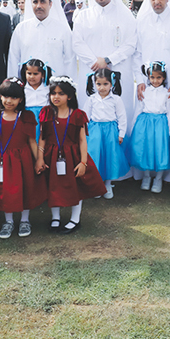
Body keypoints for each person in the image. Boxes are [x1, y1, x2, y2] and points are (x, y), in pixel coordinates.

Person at [36, 75, 106, 234]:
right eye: (53, 93)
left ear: (69, 95)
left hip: (72, 156)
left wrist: (83, 162)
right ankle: (55, 218)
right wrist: (40, 158)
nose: (56, 97)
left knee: (76, 186)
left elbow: (82, 140)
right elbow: (42, 137)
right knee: (52, 185)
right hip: (51, 156)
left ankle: (75, 219)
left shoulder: (77, 114)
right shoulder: (46, 112)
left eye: (60, 93)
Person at [0, 78, 44, 239]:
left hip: (23, 159)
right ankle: (8, 221)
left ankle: (24, 220)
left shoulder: (26, 117)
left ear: (21, 99)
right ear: (0, 97)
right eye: (5, 96)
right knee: (4, 189)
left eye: (14, 97)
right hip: (1, 160)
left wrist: (38, 160)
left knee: (25, 187)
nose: (9, 101)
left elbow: (31, 140)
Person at [72, 0, 138, 123]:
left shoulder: (126, 16)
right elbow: (77, 43)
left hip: (118, 70)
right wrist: (95, 62)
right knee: (89, 111)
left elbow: (131, 44)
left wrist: (108, 60)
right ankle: (89, 145)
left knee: (120, 113)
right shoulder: (83, 16)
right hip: (90, 71)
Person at [7, 0, 75, 80]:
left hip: (55, 89)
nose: (39, 6)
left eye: (43, 1)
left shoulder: (62, 29)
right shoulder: (21, 29)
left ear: (50, 4)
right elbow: (14, 59)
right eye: (35, 2)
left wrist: (68, 86)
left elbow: (70, 60)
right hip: (28, 88)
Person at [128, 61, 170, 194]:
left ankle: (158, 179)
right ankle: (146, 177)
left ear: (164, 77)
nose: (155, 80)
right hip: (145, 123)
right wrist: (133, 126)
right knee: (145, 150)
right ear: (148, 77)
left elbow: (169, 112)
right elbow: (139, 108)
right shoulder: (144, 91)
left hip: (160, 124)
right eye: (152, 77)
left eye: (158, 77)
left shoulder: (167, 93)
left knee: (160, 151)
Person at [85, 68, 130, 199]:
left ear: (112, 84)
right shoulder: (92, 99)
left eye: (105, 84)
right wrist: (84, 132)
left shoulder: (116, 99)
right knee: (96, 156)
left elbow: (122, 117)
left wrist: (121, 133)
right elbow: (85, 117)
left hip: (111, 131)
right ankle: (97, 184)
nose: (102, 87)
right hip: (95, 131)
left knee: (111, 157)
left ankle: (108, 184)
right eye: (99, 84)